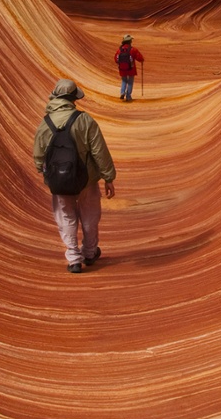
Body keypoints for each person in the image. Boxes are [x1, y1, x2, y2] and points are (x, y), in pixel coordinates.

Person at [33, 79, 116, 273]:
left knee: (65, 217)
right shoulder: (85, 120)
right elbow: (99, 151)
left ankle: (73, 258)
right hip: (86, 179)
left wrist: (47, 174)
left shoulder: (45, 123)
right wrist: (108, 177)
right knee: (90, 216)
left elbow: (38, 155)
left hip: (59, 182)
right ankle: (89, 252)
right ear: (73, 99)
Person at [114, 34, 144, 101]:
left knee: (124, 80)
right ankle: (128, 96)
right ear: (130, 41)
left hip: (122, 68)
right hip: (131, 68)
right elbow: (139, 57)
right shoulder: (133, 49)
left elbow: (116, 59)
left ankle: (122, 92)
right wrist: (142, 60)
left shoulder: (119, 50)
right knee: (130, 82)